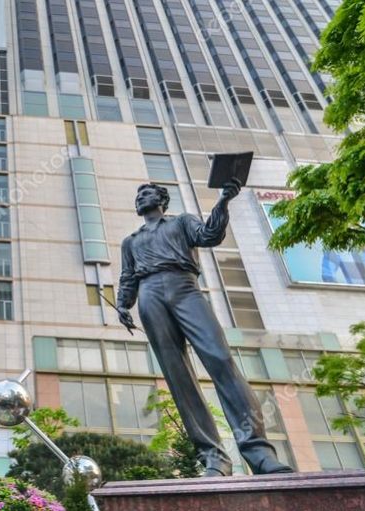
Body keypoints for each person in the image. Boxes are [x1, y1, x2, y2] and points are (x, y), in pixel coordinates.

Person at [116, 179, 292, 476]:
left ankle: (259, 452)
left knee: (220, 359)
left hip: (184, 286)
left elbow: (209, 235)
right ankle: (214, 458)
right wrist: (123, 303)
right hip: (149, 296)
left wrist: (223, 201)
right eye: (138, 195)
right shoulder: (130, 241)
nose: (140, 198)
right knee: (178, 376)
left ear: (162, 200)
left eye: (146, 193)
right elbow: (128, 276)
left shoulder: (181, 222)